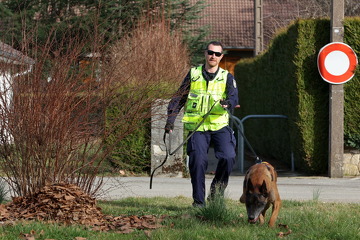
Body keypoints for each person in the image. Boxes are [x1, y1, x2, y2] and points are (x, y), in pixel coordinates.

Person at [165, 41, 239, 207]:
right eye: (210, 52)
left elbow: (234, 97)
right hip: (197, 128)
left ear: (221, 57)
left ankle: (216, 194)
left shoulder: (227, 77)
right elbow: (179, 98)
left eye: (217, 54)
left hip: (219, 126)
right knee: (198, 161)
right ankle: (199, 203)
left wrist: (228, 102)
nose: (213, 56)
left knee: (228, 157)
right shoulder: (193, 74)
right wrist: (170, 121)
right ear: (206, 54)